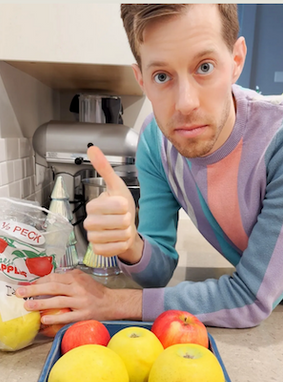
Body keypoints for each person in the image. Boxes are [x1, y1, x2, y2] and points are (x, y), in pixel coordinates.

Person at [16, 4, 283, 328]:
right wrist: (130, 242)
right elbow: (160, 269)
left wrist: (111, 301)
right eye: (161, 75)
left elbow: (250, 298)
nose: (186, 103)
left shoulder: (276, 143)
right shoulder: (156, 142)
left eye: (205, 67)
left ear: (236, 60)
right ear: (141, 79)